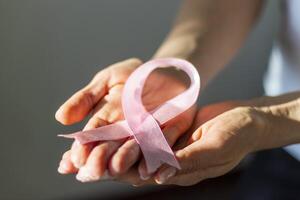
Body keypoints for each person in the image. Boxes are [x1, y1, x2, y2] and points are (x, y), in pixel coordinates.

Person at [56, 0, 300, 198]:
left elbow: (270, 123)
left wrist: (272, 121)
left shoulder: (266, 125)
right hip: (283, 155)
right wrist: (174, 68)